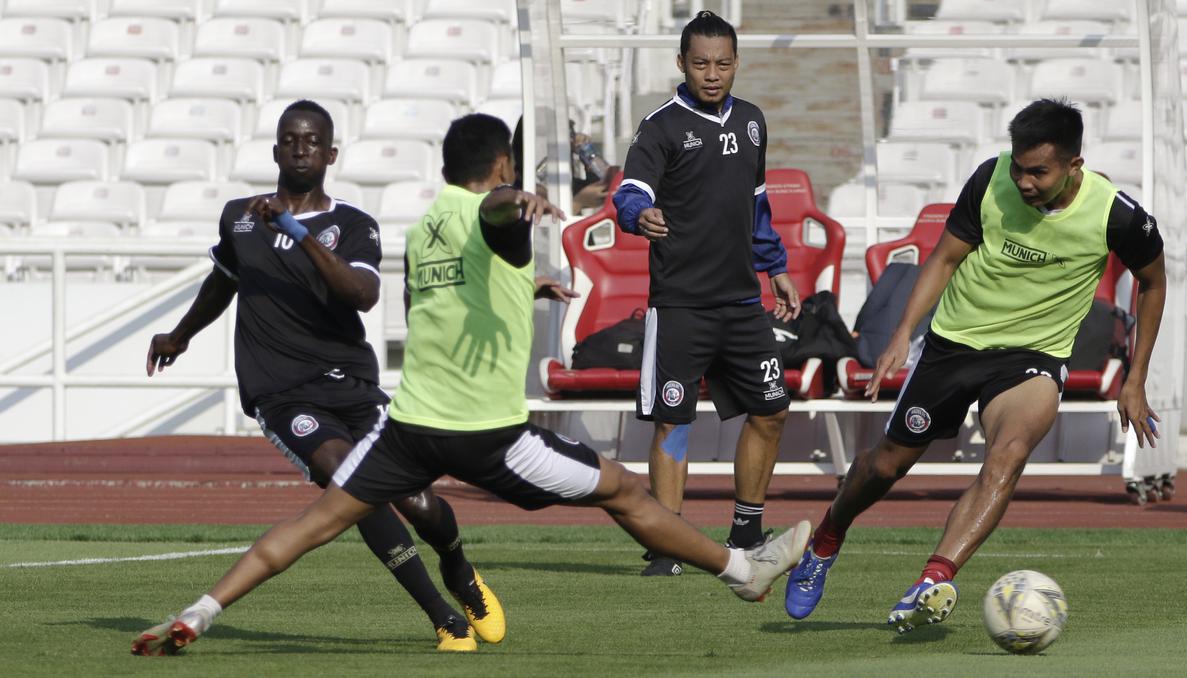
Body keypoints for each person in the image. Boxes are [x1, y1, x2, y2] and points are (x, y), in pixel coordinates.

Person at [131, 113, 812, 656]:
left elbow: (467, 272)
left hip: (407, 430)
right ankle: (739, 571)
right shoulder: (492, 215)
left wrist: (525, 279)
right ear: (500, 168)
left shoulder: (427, 225)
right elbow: (493, 221)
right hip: (487, 437)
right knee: (624, 493)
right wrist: (517, 203)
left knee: (314, 524)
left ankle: (199, 612)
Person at [782, 98, 1166, 632]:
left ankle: (931, 580)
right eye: (1019, 166)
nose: (1025, 181)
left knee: (1006, 458)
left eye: (1039, 171)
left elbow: (1153, 283)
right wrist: (900, 336)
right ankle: (826, 539)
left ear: (1074, 166)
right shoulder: (990, 180)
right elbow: (943, 258)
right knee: (886, 465)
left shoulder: (1118, 215)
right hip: (953, 343)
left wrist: (1135, 378)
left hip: (1034, 357)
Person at [135, 100, 502, 654]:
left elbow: (362, 295)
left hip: (352, 385)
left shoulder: (353, 225)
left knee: (418, 501)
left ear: (331, 154)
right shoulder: (240, 216)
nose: (300, 148)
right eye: (290, 139)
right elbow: (223, 281)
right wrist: (180, 335)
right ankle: (441, 615)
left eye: (312, 141)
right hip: (281, 394)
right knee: (349, 479)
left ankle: (458, 567)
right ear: (277, 149)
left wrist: (294, 231)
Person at [612, 10, 802, 576]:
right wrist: (637, 214)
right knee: (675, 421)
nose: (712, 73)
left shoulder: (751, 121)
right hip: (681, 306)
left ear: (737, 63)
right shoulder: (661, 126)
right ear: (681, 64)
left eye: (722, 63)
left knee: (771, 412)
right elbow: (630, 191)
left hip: (742, 304)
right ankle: (669, 545)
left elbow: (757, 206)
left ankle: (746, 531)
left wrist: (776, 267)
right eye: (700, 63)